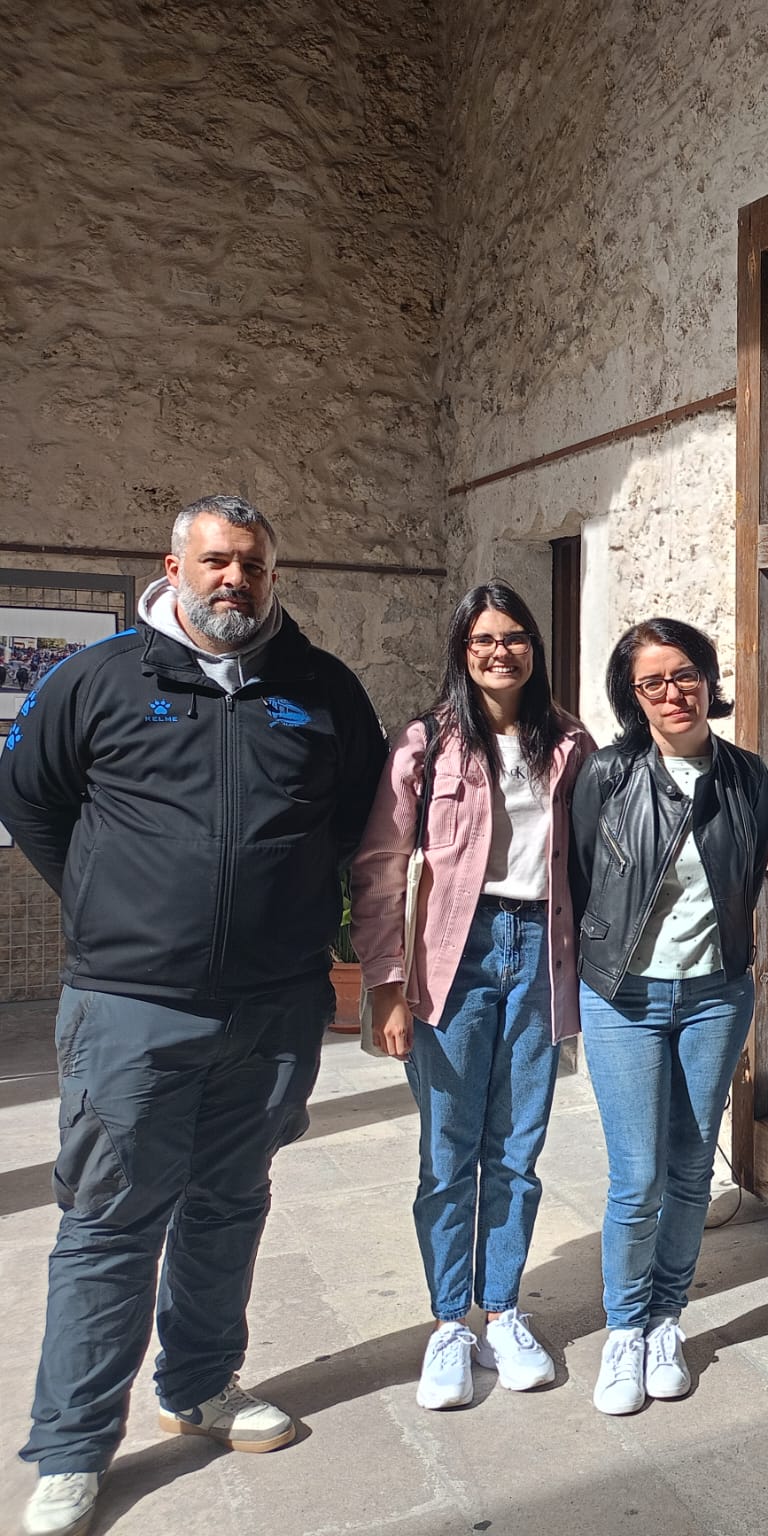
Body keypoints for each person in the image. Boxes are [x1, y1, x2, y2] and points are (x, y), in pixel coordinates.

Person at [0, 495, 385, 1536]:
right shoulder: (96, 680)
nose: (234, 582)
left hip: (271, 1007)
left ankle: (202, 1388)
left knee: (228, 1203)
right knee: (110, 1223)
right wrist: (106, 906)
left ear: (273, 576)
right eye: (216, 562)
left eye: (253, 566)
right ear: (172, 567)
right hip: (133, 1009)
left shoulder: (320, 689)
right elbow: (31, 799)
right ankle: (72, 1447)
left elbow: (356, 820)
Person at [352, 582, 594, 1411]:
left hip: (538, 951)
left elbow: (591, 858)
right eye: (485, 639)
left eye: (516, 637)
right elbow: (382, 871)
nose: (502, 652)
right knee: (449, 1153)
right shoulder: (425, 743)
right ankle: (450, 1322)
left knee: (518, 1150)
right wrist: (385, 987)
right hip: (452, 959)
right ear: (462, 649)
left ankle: (503, 1311)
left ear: (535, 648)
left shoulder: (567, 743)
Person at [570, 619, 768, 1416]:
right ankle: (623, 1329)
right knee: (638, 1176)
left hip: (714, 994)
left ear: (708, 677)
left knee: (693, 1166)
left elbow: (759, 868)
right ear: (633, 696)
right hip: (624, 995)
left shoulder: (747, 775)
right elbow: (582, 875)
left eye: (683, 674)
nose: (671, 693)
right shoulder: (607, 774)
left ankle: (666, 1319)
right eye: (651, 682)